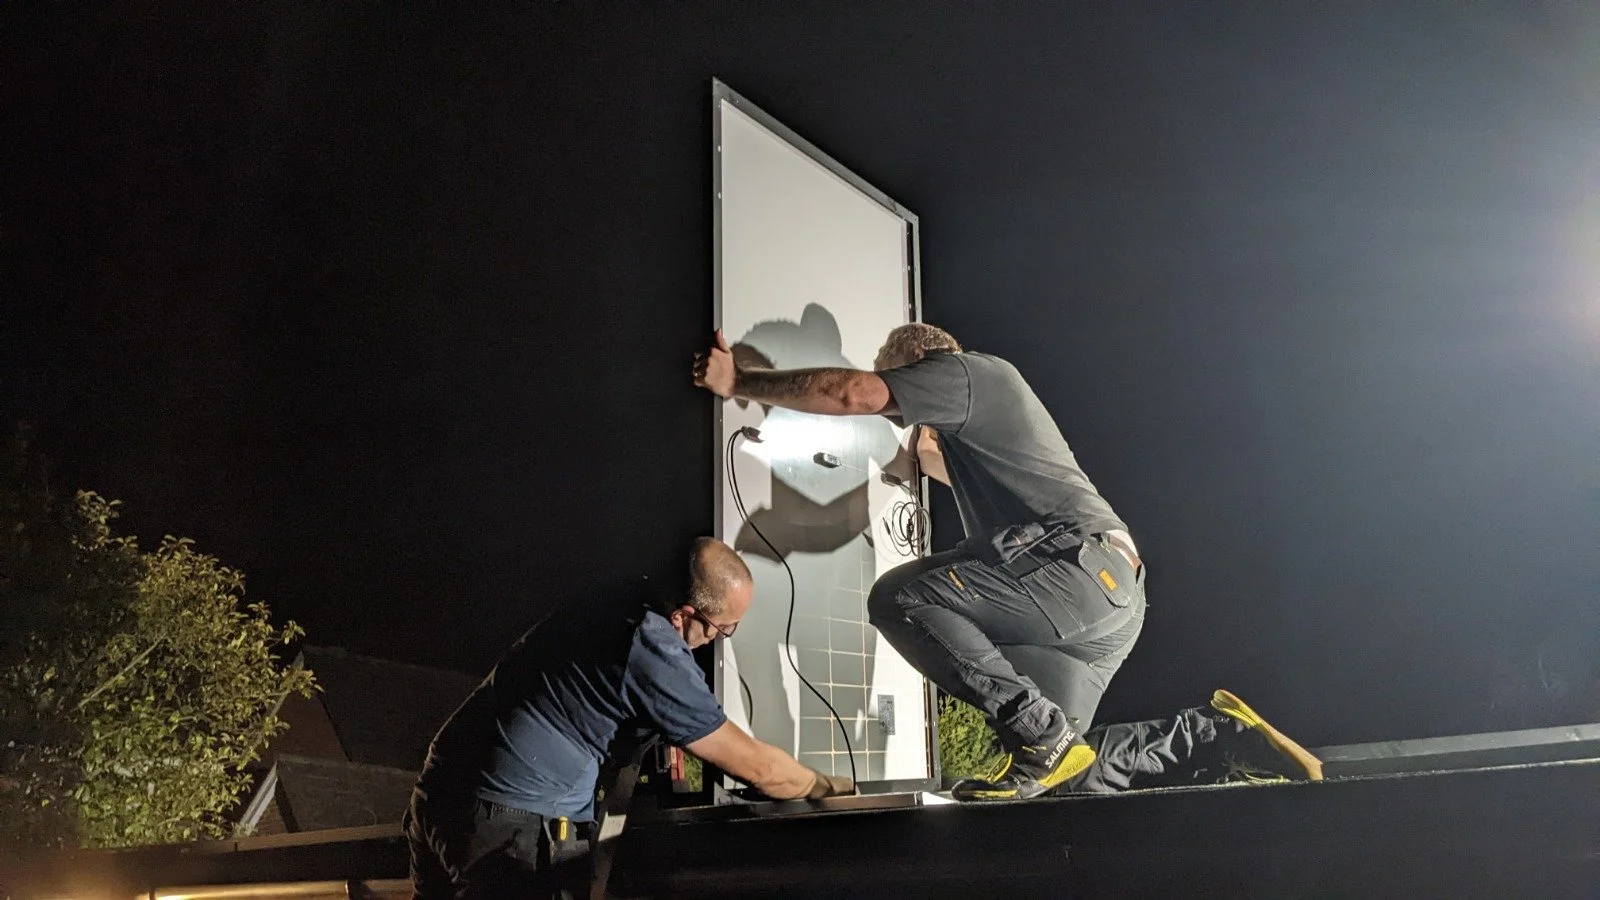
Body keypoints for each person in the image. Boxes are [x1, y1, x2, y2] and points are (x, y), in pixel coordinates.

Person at [693, 323, 1322, 802]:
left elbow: (857, 393)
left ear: (918, 362)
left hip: (1075, 574)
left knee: (901, 599)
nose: (908, 417)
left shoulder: (966, 374)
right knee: (1061, 777)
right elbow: (931, 458)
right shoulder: (985, 431)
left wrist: (739, 381)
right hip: (1108, 603)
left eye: (906, 396)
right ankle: (1213, 738)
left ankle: (1037, 731)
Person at [404, 536, 855, 898]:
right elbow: (758, 768)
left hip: (439, 790)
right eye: (722, 629)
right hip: (508, 822)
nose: (719, 641)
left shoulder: (618, 594)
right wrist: (829, 788)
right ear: (683, 615)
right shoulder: (652, 647)